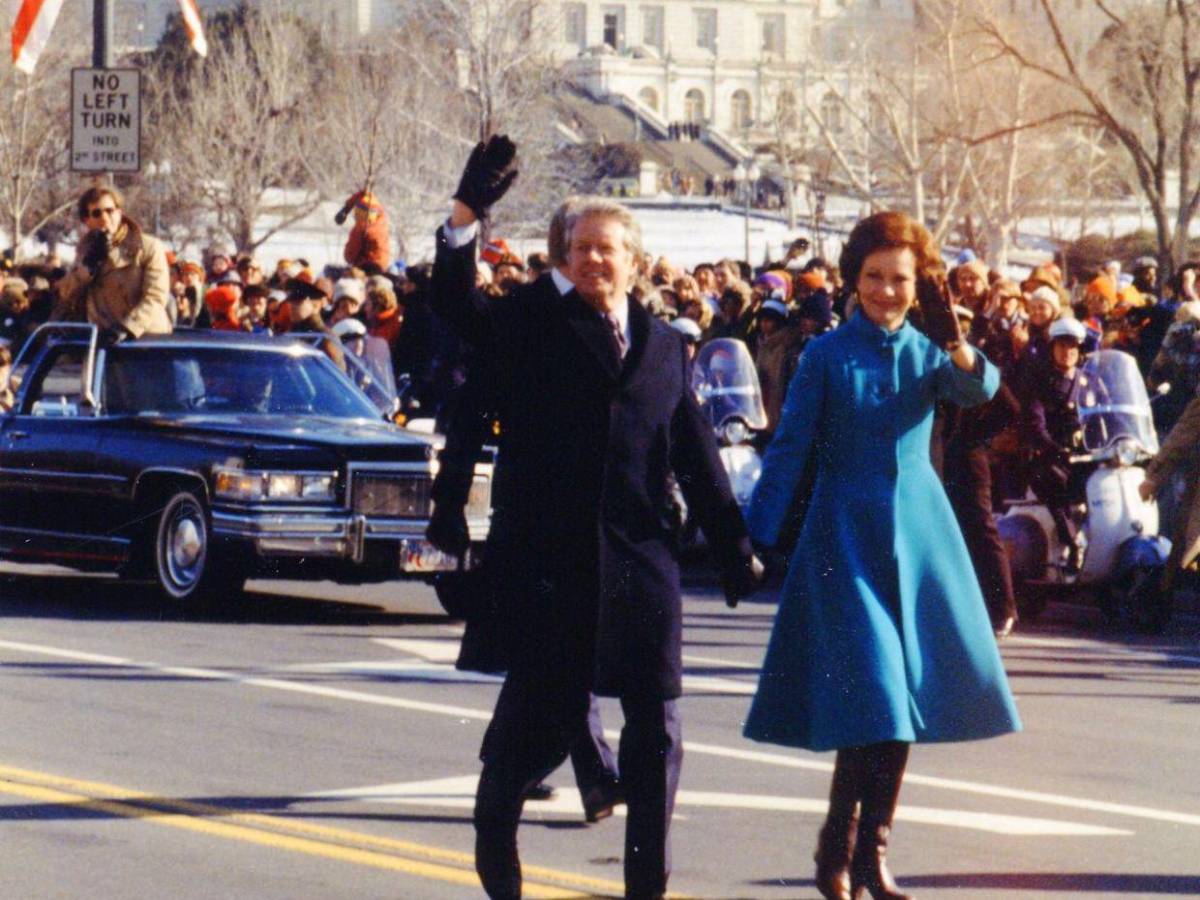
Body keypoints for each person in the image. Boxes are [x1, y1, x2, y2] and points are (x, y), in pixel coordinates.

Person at [432, 135, 761, 900]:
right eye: (578, 249)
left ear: (634, 262)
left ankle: (648, 879)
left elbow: (696, 452)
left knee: (659, 731)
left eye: (606, 249)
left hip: (643, 561)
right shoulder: (530, 328)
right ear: (563, 258)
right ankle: (495, 834)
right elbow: (455, 304)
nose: (592, 261)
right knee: (534, 725)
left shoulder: (665, 347)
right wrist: (466, 212)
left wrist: (734, 540)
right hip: (553, 564)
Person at [743, 211, 1021, 900]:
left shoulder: (930, 350)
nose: (886, 292)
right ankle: (840, 849)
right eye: (874, 278)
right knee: (876, 699)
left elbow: (981, 392)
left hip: (921, 537)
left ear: (917, 283)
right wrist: (751, 536)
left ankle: (866, 854)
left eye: (899, 280)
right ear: (853, 280)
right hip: (847, 539)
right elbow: (791, 447)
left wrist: (957, 342)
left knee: (900, 704)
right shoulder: (827, 355)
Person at [52, 187, 171, 342]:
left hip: (146, 339)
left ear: (120, 212)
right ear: (86, 220)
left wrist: (128, 327)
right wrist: (87, 268)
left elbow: (156, 297)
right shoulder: (84, 252)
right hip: (104, 341)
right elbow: (66, 295)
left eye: (110, 211)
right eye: (96, 213)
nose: (105, 218)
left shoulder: (147, 247)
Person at [1022, 317, 1091, 573]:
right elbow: (1035, 423)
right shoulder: (1041, 381)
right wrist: (1054, 448)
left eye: (1073, 345)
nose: (1068, 351)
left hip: (1086, 455)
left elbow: (1107, 413)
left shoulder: (1089, 380)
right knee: (1050, 478)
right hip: (1052, 455)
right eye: (1062, 345)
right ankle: (1072, 540)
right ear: (1052, 348)